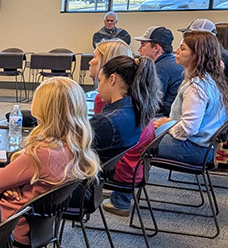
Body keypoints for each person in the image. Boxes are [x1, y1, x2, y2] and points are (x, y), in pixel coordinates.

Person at [0, 77, 100, 246]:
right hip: (37, 229)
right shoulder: (75, 147)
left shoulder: (41, 154)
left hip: (6, 230)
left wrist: (7, 185)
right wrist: (12, 185)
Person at [153, 31, 228, 166]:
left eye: (182, 48)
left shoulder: (196, 87)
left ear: (197, 55)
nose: (177, 51)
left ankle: (125, 182)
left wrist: (167, 126)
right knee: (147, 127)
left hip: (194, 149)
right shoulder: (211, 80)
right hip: (203, 147)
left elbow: (188, 129)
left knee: (135, 139)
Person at [90, 55, 161, 164]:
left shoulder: (106, 122)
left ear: (112, 79)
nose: (98, 88)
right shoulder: (139, 108)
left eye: (100, 80)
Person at [135, 26, 184, 117]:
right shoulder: (174, 61)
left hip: (165, 118)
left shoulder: (159, 70)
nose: (139, 49)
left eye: (143, 45)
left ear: (156, 48)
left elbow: (152, 104)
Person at [88, 39, 133, 114]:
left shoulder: (102, 99)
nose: (90, 62)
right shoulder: (137, 98)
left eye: (94, 57)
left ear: (106, 60)